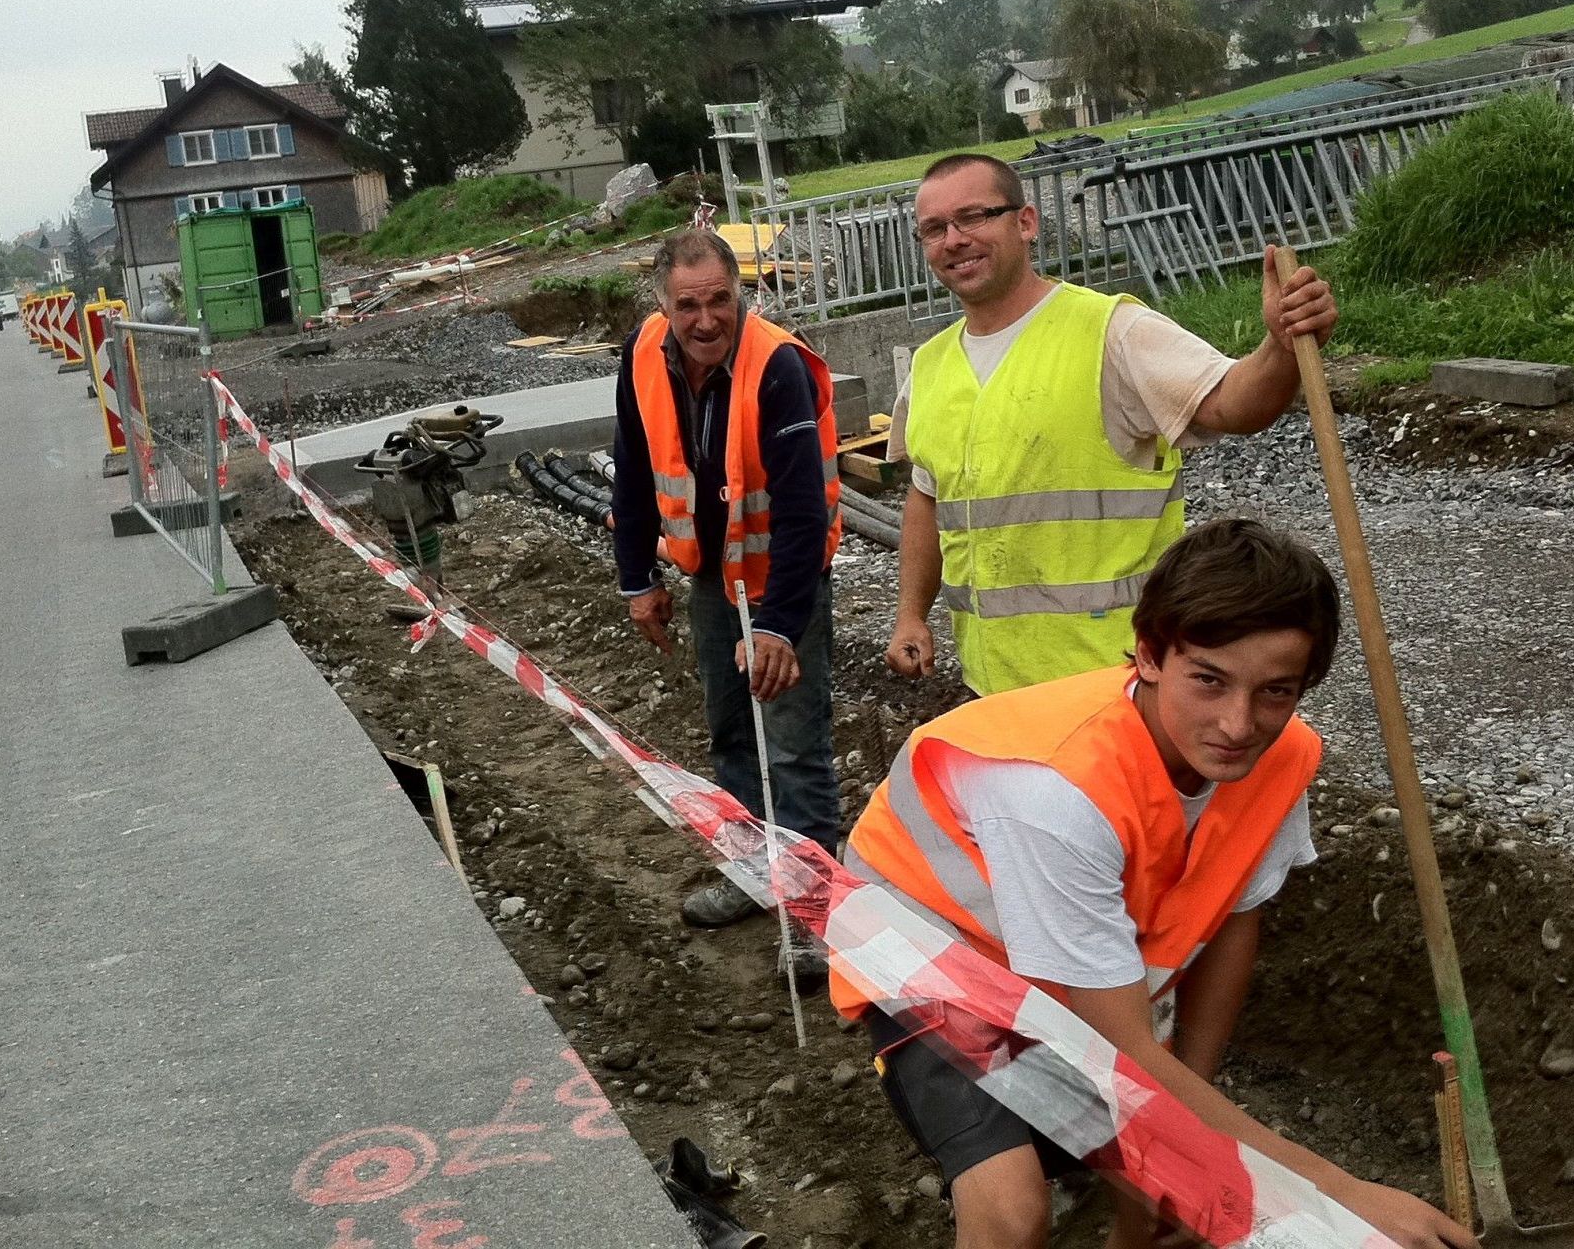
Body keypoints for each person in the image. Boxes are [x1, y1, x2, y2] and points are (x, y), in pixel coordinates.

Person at [835, 519, 1475, 1249]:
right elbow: (1120, 1051)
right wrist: (1334, 1192)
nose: (1238, 723)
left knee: (1154, 1145)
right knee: (1012, 1210)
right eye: (1209, 679)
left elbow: (1234, 916)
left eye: (1275, 691)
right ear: (1147, 654)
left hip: (1068, 956)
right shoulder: (1057, 793)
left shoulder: (1277, 754)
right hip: (934, 949)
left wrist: (1173, 1160)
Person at [885, 153, 1339, 697]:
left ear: (1025, 222)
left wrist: (1281, 346)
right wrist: (911, 614)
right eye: (935, 229)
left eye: (974, 217)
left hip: (1117, 682)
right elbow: (927, 497)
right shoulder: (930, 366)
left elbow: (1234, 405)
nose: (954, 239)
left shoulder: (1112, 332)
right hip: (994, 688)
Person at [611, 226, 844, 933]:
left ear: (740, 294)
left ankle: (811, 910)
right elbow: (633, 463)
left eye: (720, 300)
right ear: (662, 303)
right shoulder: (644, 355)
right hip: (712, 581)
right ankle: (750, 873)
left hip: (785, 583)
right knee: (732, 734)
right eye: (688, 305)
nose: (705, 320)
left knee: (796, 748)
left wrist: (777, 623)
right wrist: (636, 577)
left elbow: (803, 510)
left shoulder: (778, 366)